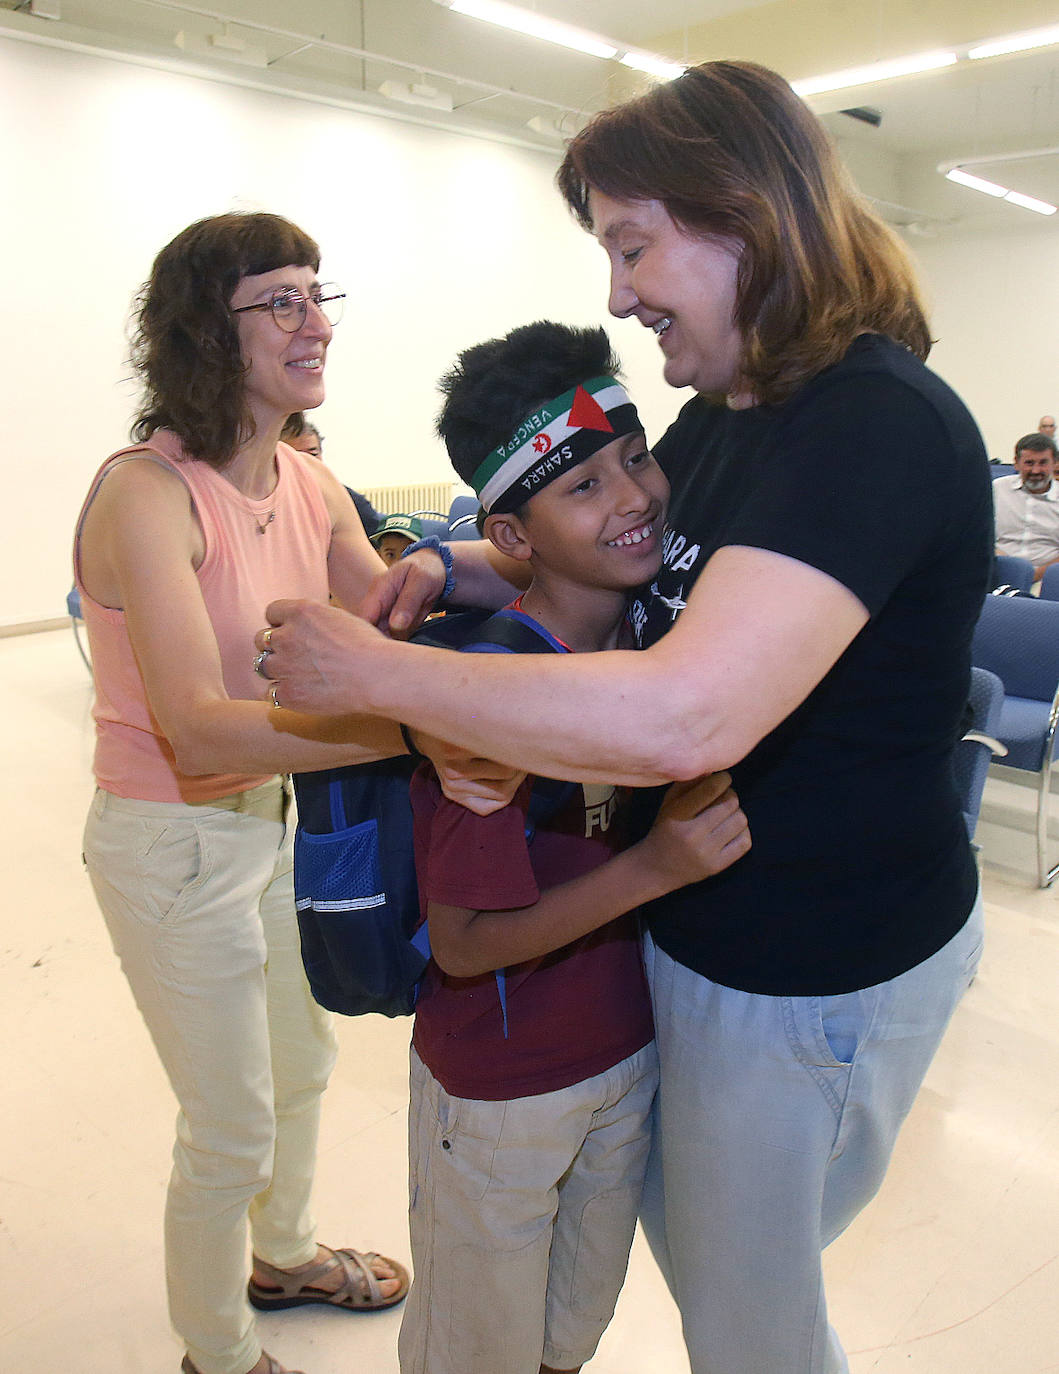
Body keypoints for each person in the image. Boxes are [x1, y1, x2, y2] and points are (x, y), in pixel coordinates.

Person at [255, 61, 994, 1374]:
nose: (616, 289)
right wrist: (462, 570)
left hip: (812, 965)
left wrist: (383, 675)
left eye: (632, 242)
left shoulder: (869, 422)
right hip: (706, 937)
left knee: (744, 1311)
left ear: (744, 217)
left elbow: (685, 709)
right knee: (702, 1248)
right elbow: (652, 568)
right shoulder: (726, 411)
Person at [75, 212, 411, 1374]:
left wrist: (497, 566)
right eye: (280, 300)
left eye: (319, 295)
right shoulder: (147, 495)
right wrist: (414, 728)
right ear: (205, 335)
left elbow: (385, 617)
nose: (314, 321)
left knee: (303, 1068)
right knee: (228, 1127)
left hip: (268, 826)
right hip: (168, 842)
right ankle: (215, 1353)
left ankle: (286, 1257)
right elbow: (198, 731)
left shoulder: (311, 484)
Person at [399, 320, 750, 1374]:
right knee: (479, 1352)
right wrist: (657, 867)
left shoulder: (658, 646)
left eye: (635, 459)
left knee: (569, 1338)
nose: (635, 497)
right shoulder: (488, 696)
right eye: (583, 488)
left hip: (626, 1060)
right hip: (500, 1092)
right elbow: (461, 941)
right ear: (513, 535)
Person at [281, 410, 383, 534]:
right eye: (297, 456)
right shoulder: (272, 505)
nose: (307, 463)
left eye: (313, 454)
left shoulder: (345, 499)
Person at [994, 431, 1059, 580]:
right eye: (1029, 463)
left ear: (1054, 463)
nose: (1036, 470)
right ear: (1016, 463)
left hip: (1046, 578)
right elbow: (980, 535)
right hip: (997, 571)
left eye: (1043, 463)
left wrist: (1034, 575)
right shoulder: (998, 489)